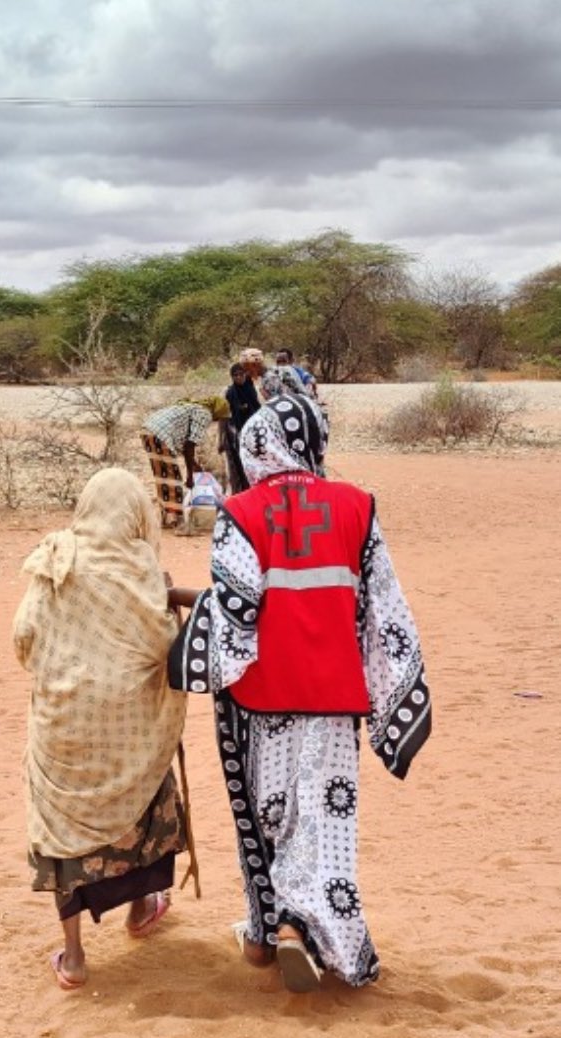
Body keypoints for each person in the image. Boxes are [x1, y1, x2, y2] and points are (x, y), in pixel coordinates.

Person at [166, 394, 431, 992]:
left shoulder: (241, 512)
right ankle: (302, 933)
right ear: (312, 444)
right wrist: (396, 694)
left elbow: (235, 612)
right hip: (336, 699)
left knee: (272, 816)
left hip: (264, 703)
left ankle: (271, 932)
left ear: (256, 444)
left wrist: (194, 636)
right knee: (325, 818)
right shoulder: (357, 507)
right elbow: (383, 610)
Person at [13, 468, 188, 990]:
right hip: (129, 727)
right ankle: (140, 909)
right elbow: (162, 643)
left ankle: (74, 957)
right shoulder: (140, 568)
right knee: (142, 794)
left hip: (63, 727)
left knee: (61, 832)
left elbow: (24, 636)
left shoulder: (56, 558)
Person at [141, 395, 230, 489]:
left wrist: (195, 465)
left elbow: (185, 447)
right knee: (173, 482)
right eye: (221, 417)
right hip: (160, 435)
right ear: (217, 411)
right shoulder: (205, 413)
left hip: (147, 431)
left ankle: (164, 503)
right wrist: (190, 476)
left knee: (164, 478)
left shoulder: (191, 407)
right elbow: (189, 446)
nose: (217, 421)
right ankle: (171, 503)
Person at [222, 362, 260, 494]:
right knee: (240, 463)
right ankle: (243, 491)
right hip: (237, 432)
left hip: (254, 431)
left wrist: (248, 409)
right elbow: (226, 415)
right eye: (235, 375)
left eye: (241, 374)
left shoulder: (250, 389)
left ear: (245, 374)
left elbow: (257, 407)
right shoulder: (230, 392)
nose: (238, 378)